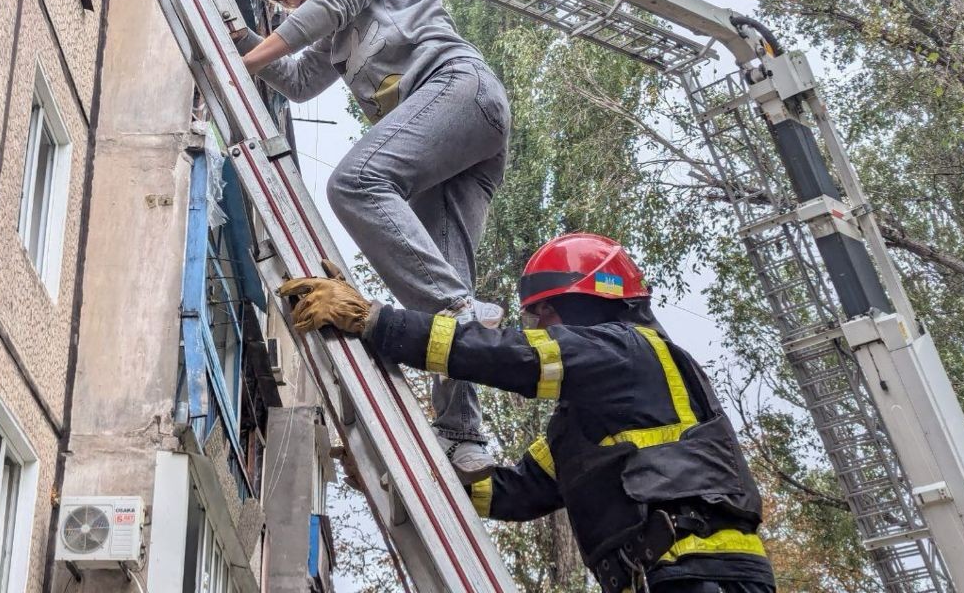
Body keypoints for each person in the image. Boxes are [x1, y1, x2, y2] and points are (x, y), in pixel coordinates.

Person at [278, 233, 777, 593]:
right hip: (662, 576)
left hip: (707, 572)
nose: (540, 326)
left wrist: (378, 321)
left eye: (548, 314)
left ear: (592, 305)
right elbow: (514, 493)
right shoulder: (586, 424)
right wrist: (393, 472)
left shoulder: (632, 352)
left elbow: (516, 355)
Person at [230, 0, 510, 483]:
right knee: (439, 279)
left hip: (459, 92)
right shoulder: (336, 43)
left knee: (354, 184)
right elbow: (299, 80)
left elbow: (334, 1)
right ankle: (464, 436)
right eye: (282, 1)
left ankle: (460, 316)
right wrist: (238, 41)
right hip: (450, 145)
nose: (293, 3)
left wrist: (251, 60)